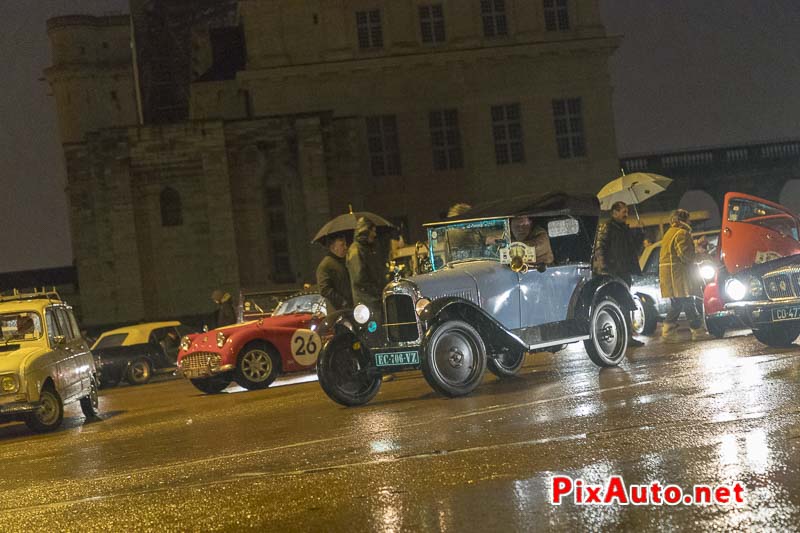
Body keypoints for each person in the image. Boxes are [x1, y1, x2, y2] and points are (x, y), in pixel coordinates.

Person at [347, 216, 394, 381]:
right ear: (365, 230)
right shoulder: (356, 250)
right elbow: (360, 278)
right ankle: (378, 368)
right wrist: (376, 289)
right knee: (373, 333)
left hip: (373, 298)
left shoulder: (368, 249)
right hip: (367, 300)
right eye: (372, 230)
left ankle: (383, 366)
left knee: (379, 332)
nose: (375, 233)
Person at [593, 201, 645, 347]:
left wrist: (640, 235)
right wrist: (605, 270)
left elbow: (633, 249)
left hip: (624, 272)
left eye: (627, 212)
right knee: (618, 304)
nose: (626, 215)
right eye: (623, 211)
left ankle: (627, 337)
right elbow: (600, 249)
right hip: (614, 273)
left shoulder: (624, 229)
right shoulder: (608, 228)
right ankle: (620, 338)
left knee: (626, 304)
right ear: (614, 213)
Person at [659, 209, 710, 341]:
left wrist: (695, 245)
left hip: (670, 275)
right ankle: (697, 330)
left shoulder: (669, 232)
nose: (690, 222)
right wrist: (698, 256)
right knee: (688, 300)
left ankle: (668, 331)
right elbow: (684, 255)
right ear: (683, 220)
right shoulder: (682, 232)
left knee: (678, 303)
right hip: (678, 274)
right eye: (689, 219)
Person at [316, 234, 353, 312]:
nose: (345, 247)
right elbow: (324, 289)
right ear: (333, 247)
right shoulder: (326, 265)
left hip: (349, 308)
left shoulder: (343, 262)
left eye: (345, 244)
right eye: (342, 245)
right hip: (338, 311)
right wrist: (342, 301)